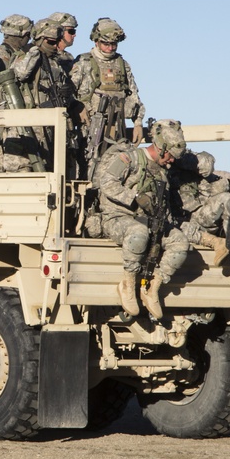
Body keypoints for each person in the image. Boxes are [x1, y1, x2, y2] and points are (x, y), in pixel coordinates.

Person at [93, 119, 190, 318]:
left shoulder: (163, 173)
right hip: (119, 218)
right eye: (170, 157)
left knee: (180, 243)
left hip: (149, 222)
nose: (171, 162)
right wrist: (135, 199)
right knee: (138, 234)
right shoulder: (130, 159)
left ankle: (151, 288)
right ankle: (128, 285)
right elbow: (107, 183)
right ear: (161, 148)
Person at [0, 18, 79, 173]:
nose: (56, 46)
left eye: (58, 41)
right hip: (25, 128)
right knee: (20, 174)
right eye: (50, 42)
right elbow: (19, 73)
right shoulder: (27, 56)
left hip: (48, 130)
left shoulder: (56, 63)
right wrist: (35, 51)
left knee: (48, 174)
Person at [71, 18, 146, 149]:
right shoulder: (84, 61)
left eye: (114, 44)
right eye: (106, 44)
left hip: (117, 127)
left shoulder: (122, 64)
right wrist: (78, 108)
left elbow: (133, 95)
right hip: (89, 127)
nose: (110, 48)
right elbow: (69, 92)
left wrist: (138, 123)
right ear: (96, 41)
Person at [169, 150, 230, 266]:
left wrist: (178, 158)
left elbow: (207, 164)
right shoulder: (150, 168)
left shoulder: (179, 160)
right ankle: (219, 244)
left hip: (200, 214)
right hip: (179, 223)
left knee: (228, 200)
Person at [0, 15, 33, 172]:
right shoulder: (1, 55)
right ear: (20, 35)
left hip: (3, 114)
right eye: (27, 35)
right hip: (4, 113)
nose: (29, 38)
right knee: (5, 163)